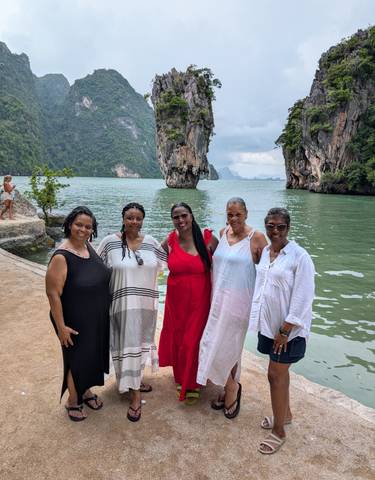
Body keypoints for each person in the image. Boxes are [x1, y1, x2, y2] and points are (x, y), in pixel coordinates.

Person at [249, 207, 315, 454]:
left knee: (275, 375)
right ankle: (285, 414)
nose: (275, 231)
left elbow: (304, 296)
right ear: (265, 227)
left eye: (280, 227)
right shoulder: (266, 253)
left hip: (287, 331)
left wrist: (286, 330)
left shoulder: (299, 256)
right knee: (280, 373)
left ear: (289, 228)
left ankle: (279, 431)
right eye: (270, 226)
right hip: (268, 326)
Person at [197, 198, 267, 418]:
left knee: (226, 346)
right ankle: (231, 385)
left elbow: (267, 272)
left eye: (238, 214)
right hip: (217, 300)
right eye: (230, 214)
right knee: (220, 345)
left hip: (240, 303)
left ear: (246, 213)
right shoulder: (223, 232)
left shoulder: (256, 237)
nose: (233, 219)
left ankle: (231, 388)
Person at [97, 202, 167, 422]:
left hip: (145, 305)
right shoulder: (110, 243)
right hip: (120, 305)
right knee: (123, 344)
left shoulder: (152, 243)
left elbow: (170, 263)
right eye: (130, 218)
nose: (134, 222)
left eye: (138, 218)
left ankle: (133, 382)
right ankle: (134, 393)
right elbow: (96, 270)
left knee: (139, 344)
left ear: (142, 220)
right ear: (123, 218)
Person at [46, 206, 111, 422]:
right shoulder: (61, 256)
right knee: (77, 358)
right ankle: (73, 401)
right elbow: (53, 294)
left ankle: (84, 390)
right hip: (72, 318)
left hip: (94, 316)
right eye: (79, 225)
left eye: (88, 226)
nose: (83, 229)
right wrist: (61, 326)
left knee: (91, 355)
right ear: (69, 225)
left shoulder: (88, 247)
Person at [158, 202, 218, 404]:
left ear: (192, 216)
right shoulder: (170, 241)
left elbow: (226, 265)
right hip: (176, 300)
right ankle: (181, 376)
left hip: (200, 300)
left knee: (194, 339)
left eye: (184, 215)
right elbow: (153, 260)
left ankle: (191, 383)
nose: (181, 220)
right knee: (179, 338)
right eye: (176, 217)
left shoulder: (208, 239)